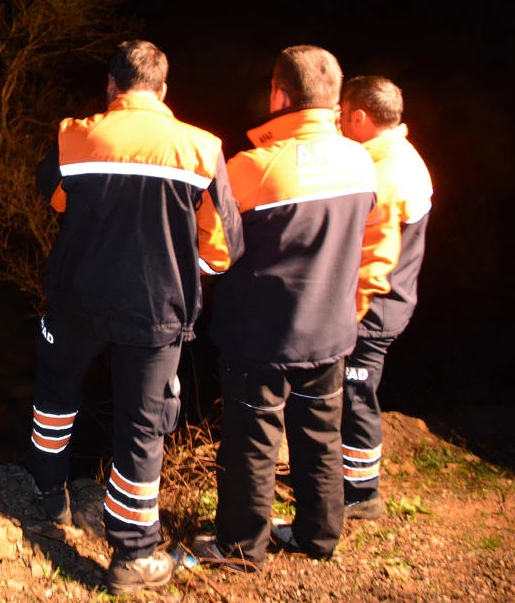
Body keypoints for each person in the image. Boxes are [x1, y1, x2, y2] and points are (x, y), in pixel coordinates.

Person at [27, 40, 244, 593]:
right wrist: (182, 266)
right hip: (155, 312)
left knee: (55, 398)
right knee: (142, 427)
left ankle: (49, 500)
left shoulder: (75, 135)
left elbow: (53, 197)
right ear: (165, 91)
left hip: (76, 301)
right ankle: (132, 556)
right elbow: (223, 248)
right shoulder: (201, 149)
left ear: (110, 85)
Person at [193, 45, 396, 569]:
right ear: (332, 98)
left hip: (262, 338)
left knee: (252, 443)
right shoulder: (361, 160)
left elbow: (213, 254)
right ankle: (320, 535)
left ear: (279, 95)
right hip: (332, 330)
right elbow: (374, 243)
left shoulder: (251, 167)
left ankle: (240, 547)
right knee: (321, 435)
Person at [338, 75, 433, 519]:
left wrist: (345, 318)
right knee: (353, 392)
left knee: (357, 394)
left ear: (359, 116)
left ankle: (361, 494)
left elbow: (373, 263)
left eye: (341, 113)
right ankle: (347, 478)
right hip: (389, 301)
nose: (336, 120)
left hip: (374, 307)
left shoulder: (386, 175)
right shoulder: (398, 155)